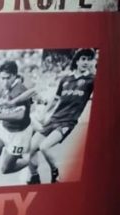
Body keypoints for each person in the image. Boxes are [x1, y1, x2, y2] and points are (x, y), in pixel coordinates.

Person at [26, 49, 96, 184]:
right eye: (83, 59)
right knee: (30, 148)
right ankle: (34, 177)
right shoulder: (65, 80)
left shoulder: (91, 80)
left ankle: (55, 172)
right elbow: (55, 100)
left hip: (67, 122)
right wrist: (44, 113)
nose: (86, 62)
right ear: (77, 61)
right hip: (53, 119)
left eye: (89, 59)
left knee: (44, 147)